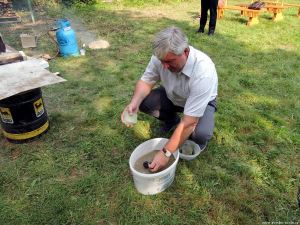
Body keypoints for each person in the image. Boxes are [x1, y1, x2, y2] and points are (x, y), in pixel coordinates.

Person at [121, 27, 218, 172]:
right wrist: (134, 102)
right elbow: (146, 81)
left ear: (185, 52)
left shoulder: (203, 71)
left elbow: (189, 123)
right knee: (144, 102)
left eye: (170, 61)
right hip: (173, 96)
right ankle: (173, 121)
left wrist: (166, 152)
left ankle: (196, 138)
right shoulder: (161, 57)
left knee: (200, 134)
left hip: (201, 103)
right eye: (162, 62)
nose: (165, 66)